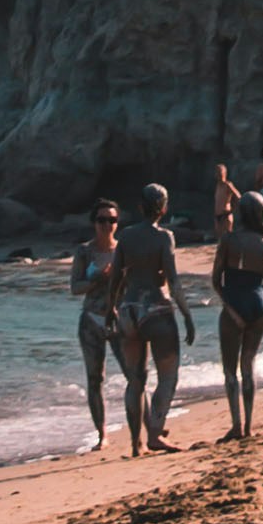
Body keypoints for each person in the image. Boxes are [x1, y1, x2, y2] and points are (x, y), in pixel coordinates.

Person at [111, 188, 193, 455]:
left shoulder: (125, 236)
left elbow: (115, 278)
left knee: (135, 380)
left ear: (139, 206)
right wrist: (187, 315)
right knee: (168, 376)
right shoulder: (164, 237)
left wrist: (110, 311)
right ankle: (155, 434)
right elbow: (173, 278)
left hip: (128, 308)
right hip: (156, 307)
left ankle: (136, 444)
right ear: (164, 209)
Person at [210, 190, 263, 442]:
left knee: (230, 371)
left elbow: (217, 280)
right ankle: (249, 425)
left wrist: (231, 308)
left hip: (234, 302)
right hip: (259, 304)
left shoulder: (229, 240)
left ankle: (236, 425)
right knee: (248, 365)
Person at [64, 200, 126, 453]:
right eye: (102, 220)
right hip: (91, 319)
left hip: (119, 319)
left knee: (134, 375)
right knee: (94, 379)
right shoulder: (85, 252)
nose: (107, 226)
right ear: (94, 223)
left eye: (112, 220)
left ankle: (149, 425)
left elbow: (134, 284)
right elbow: (75, 288)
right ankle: (102, 434)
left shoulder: (123, 250)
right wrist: (97, 280)